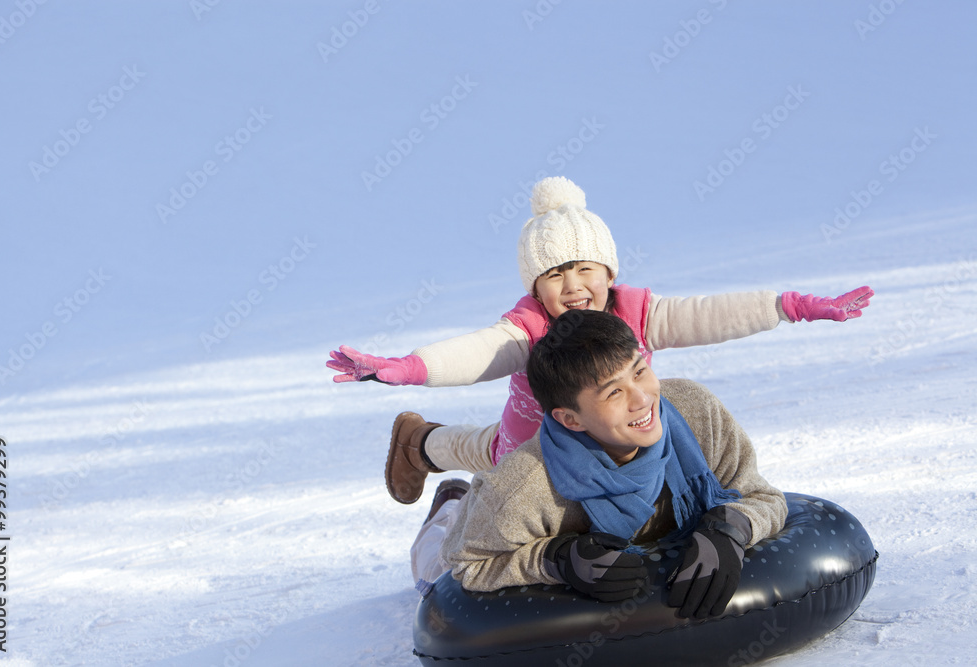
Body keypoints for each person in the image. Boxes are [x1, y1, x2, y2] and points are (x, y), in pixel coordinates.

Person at [327, 176, 872, 504]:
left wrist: (792, 306)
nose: (573, 286)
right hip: (539, 435)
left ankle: (422, 442)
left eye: (585, 268)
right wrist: (409, 367)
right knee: (495, 458)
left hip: (612, 426)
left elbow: (711, 314)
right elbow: (478, 352)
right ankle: (421, 446)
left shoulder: (638, 313)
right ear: (537, 287)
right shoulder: (530, 328)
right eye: (555, 275)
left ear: (608, 271)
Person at [416, 310, 787, 620]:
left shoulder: (695, 411)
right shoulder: (525, 487)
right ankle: (448, 506)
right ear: (571, 419)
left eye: (639, 372)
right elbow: (466, 564)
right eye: (614, 392)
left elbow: (761, 495)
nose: (642, 399)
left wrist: (729, 528)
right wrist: (556, 558)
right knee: (433, 565)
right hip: (474, 532)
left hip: (501, 517)